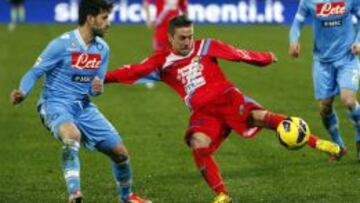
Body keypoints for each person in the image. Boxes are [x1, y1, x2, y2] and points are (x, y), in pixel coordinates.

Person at [105, 15, 341, 203]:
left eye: (190, 36)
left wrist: (265, 58)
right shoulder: (161, 62)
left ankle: (323, 144)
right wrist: (101, 79)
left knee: (262, 118)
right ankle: (222, 194)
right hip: (203, 112)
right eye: (183, 38)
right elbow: (131, 70)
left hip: (227, 99)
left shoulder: (206, 46)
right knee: (198, 142)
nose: (188, 42)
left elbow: (238, 54)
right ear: (170, 38)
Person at [9, 0, 151, 203]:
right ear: (90, 18)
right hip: (55, 103)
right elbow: (35, 71)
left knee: (120, 153)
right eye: (104, 18)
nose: (108, 23)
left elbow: (95, 89)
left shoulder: (103, 49)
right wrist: (22, 91)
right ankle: (75, 193)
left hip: (83, 106)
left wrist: (97, 88)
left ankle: (126, 197)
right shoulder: (61, 44)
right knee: (71, 135)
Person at [289, 0, 360, 161]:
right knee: (325, 107)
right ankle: (338, 146)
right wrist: (294, 41)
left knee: (348, 100)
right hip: (322, 62)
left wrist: (358, 41)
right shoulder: (308, 2)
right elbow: (296, 24)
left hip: (347, 57)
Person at [142, 0, 188, 89]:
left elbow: (184, 9)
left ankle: (180, 79)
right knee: (158, 56)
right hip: (161, 29)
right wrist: (148, 19)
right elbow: (146, 3)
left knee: (177, 54)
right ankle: (150, 78)